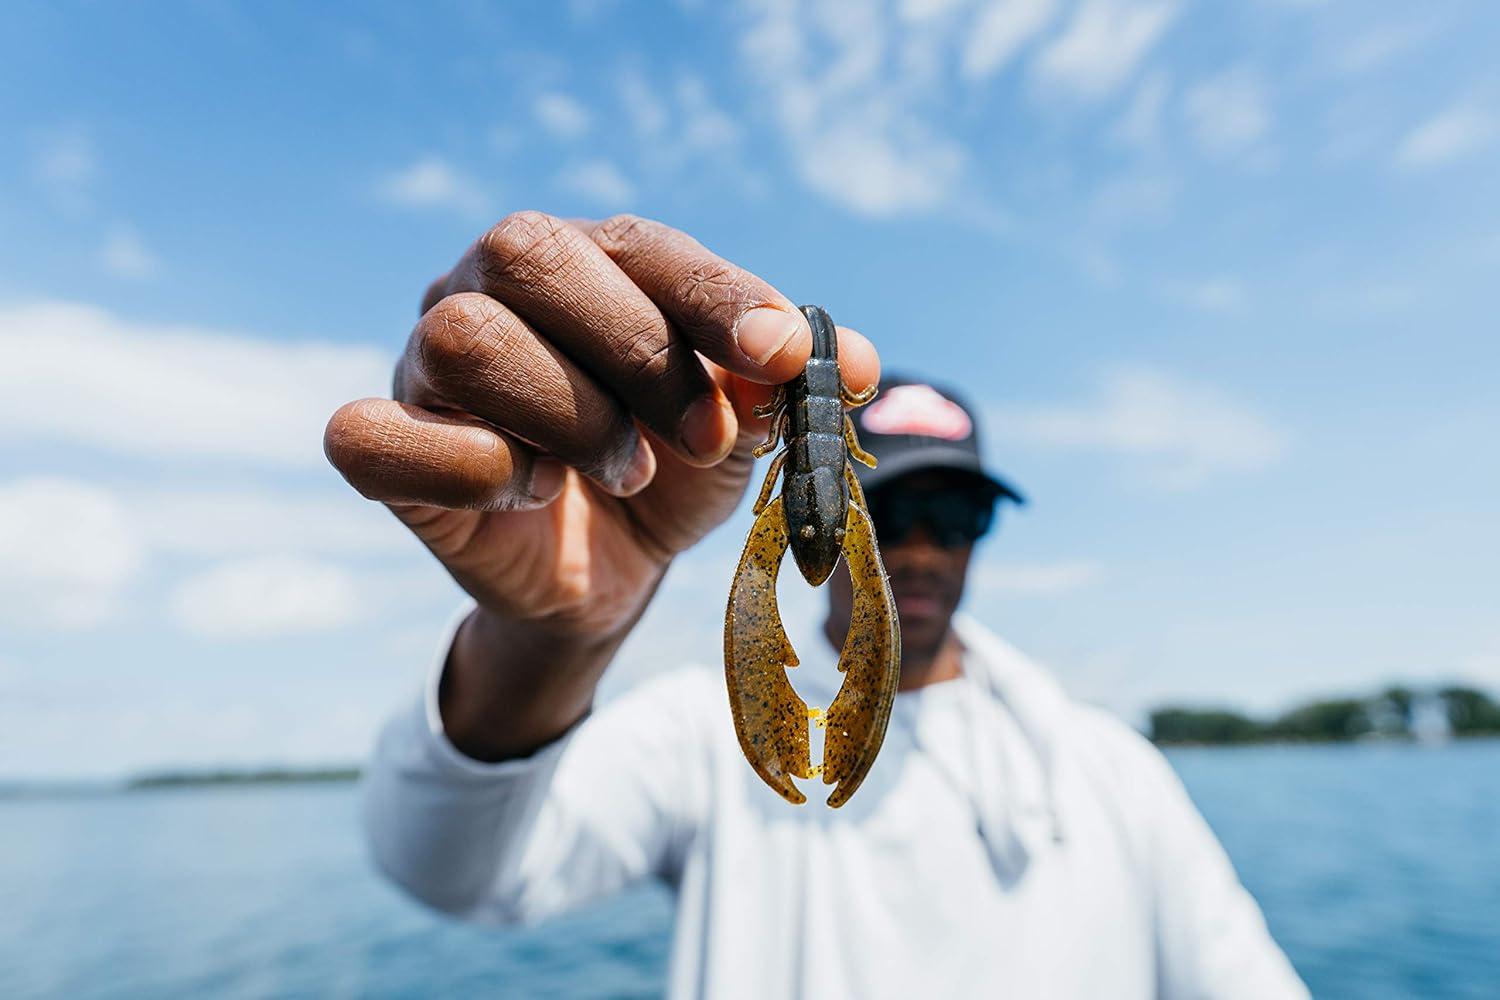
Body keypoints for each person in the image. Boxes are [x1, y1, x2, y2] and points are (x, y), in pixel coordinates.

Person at [325, 212, 1307, 999]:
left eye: (956, 516)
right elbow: (453, 870)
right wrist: (551, 634)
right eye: (894, 511)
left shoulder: (1113, 775)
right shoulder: (701, 736)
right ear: (844, 499)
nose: (920, 548)